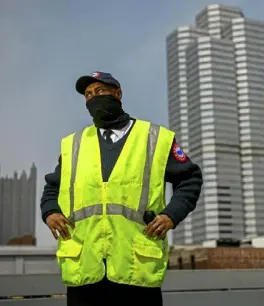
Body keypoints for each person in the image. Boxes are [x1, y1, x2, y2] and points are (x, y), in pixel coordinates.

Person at [40, 71, 203, 306]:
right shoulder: (73, 145)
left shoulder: (154, 138)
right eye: (88, 95)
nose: (93, 98)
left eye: (100, 91)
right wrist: (50, 212)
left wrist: (171, 215)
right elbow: (52, 188)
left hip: (136, 267)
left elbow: (190, 180)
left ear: (117, 94)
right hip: (85, 267)